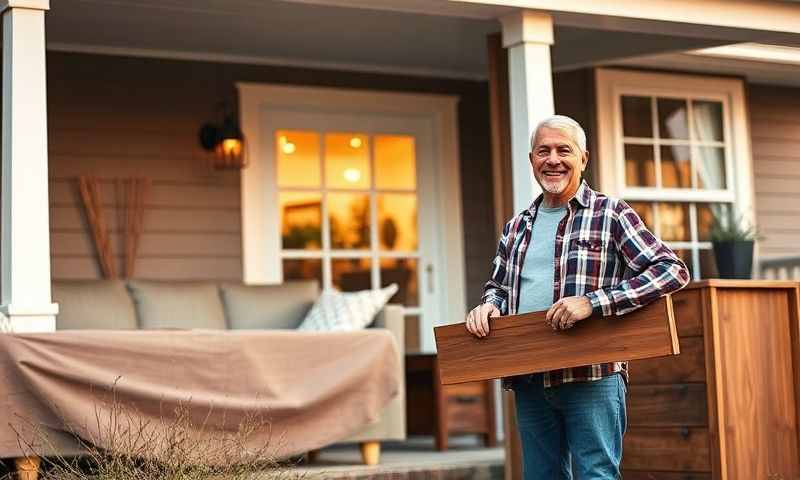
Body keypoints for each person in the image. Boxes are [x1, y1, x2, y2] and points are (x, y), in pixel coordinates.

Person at [465, 115, 690, 479]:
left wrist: (594, 302)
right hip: (530, 376)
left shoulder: (611, 213)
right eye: (543, 151)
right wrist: (490, 305)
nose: (553, 159)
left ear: (583, 159)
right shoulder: (516, 226)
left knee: (596, 475)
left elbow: (671, 270)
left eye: (563, 150)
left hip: (593, 376)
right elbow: (500, 287)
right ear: (532, 160)